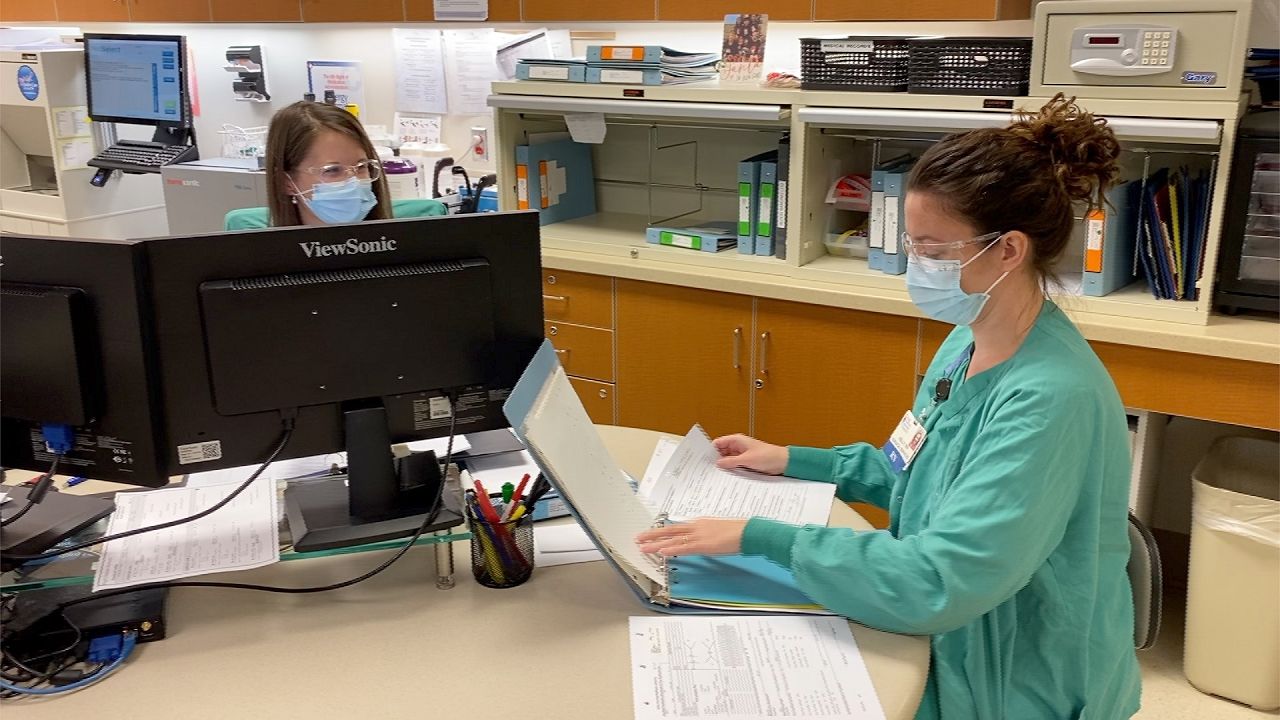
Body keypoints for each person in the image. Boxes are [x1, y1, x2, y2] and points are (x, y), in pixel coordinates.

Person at [636, 94, 1142, 719]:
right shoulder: (972, 337)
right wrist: (797, 460)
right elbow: (917, 473)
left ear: (1008, 251)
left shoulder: (1047, 398)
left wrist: (755, 535)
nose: (914, 265)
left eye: (933, 250)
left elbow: (939, 581)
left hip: (1016, 676)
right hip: (956, 631)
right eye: (912, 243)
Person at [224, 101, 446, 230]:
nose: (355, 181)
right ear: (287, 182)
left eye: (361, 167)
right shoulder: (257, 254)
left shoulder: (415, 238)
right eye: (332, 170)